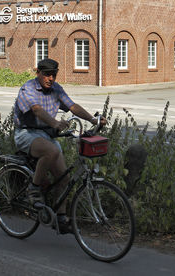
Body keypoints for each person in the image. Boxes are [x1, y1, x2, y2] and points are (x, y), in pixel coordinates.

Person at [12, 58, 105, 233]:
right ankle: (33, 189)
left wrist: (93, 119)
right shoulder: (28, 88)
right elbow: (37, 110)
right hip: (26, 133)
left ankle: (61, 218)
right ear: (38, 72)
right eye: (46, 74)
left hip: (46, 135)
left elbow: (72, 106)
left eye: (53, 74)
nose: (50, 78)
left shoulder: (56, 89)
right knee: (52, 150)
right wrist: (54, 123)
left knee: (64, 178)